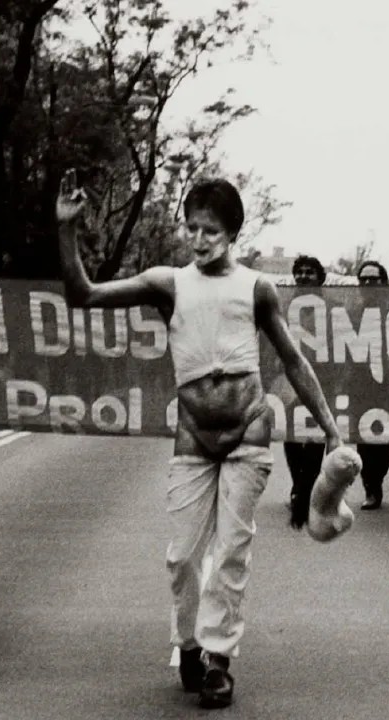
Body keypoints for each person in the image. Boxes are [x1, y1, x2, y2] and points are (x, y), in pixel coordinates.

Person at [55, 177, 345, 709]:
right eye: (191, 228)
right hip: (193, 437)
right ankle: (188, 644)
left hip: (248, 434)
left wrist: (330, 428)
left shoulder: (257, 288)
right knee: (183, 557)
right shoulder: (167, 283)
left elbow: (293, 360)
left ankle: (218, 661)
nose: (198, 239)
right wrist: (66, 229)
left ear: (232, 233)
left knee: (231, 551)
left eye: (210, 230)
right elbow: (84, 294)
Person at [347, 261, 389, 510]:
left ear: (383, 283)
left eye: (373, 279)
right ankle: (371, 485)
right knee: (364, 436)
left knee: (385, 435)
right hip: (360, 383)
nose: (368, 284)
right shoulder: (351, 314)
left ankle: (377, 477)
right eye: (363, 279)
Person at [283, 255, 328, 526]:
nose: (303, 276)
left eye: (309, 272)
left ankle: (304, 490)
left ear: (320, 278)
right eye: (299, 272)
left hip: (323, 382)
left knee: (315, 438)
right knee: (290, 435)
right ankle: (299, 485)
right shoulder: (284, 309)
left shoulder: (332, 310)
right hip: (289, 383)